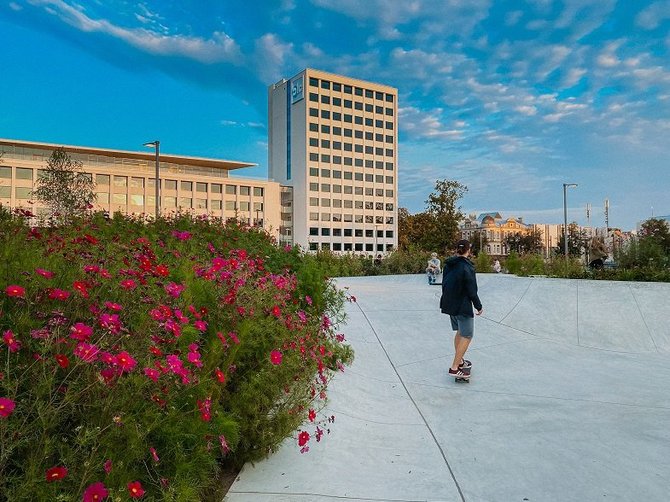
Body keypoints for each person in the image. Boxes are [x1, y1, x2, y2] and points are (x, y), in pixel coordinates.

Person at [440, 240, 483, 379]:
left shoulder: (448, 264)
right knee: (467, 335)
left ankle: (461, 361)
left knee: (460, 332)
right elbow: (472, 290)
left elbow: (444, 284)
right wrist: (478, 306)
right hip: (462, 305)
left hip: (449, 303)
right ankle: (454, 367)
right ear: (468, 250)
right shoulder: (467, 267)